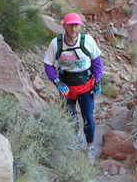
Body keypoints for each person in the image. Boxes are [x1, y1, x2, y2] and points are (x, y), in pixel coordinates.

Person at [43, 13, 104, 162]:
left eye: (76, 25)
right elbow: (48, 64)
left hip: (86, 86)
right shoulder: (56, 44)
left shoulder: (87, 41)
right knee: (70, 119)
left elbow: (97, 63)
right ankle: (74, 143)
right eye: (70, 25)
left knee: (88, 118)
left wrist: (98, 81)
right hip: (66, 88)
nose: (73, 28)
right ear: (64, 26)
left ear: (80, 26)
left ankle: (90, 147)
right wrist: (57, 82)